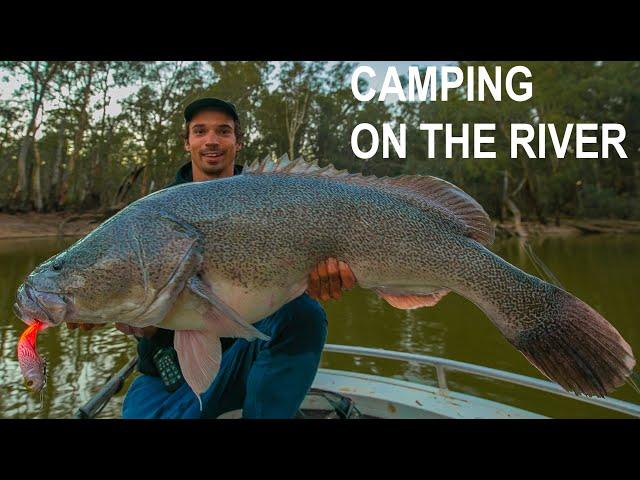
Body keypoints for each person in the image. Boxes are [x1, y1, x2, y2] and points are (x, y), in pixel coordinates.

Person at [68, 97, 356, 418]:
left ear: (238, 141)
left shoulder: (274, 197)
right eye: (200, 131)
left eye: (223, 131)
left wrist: (316, 280)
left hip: (248, 358)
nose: (212, 141)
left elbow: (295, 279)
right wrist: (111, 310)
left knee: (305, 314)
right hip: (168, 379)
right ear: (187, 142)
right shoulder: (152, 214)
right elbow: (142, 316)